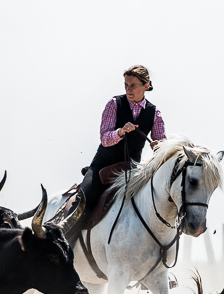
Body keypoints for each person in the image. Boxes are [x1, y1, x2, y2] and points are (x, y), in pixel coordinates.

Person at [68, 65, 166, 237]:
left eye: (133, 85)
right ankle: (65, 242)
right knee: (84, 200)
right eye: (126, 85)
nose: (128, 89)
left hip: (131, 170)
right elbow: (105, 139)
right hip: (102, 166)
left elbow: (162, 145)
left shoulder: (154, 113)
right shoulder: (114, 104)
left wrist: (158, 146)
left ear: (146, 85)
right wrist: (120, 132)